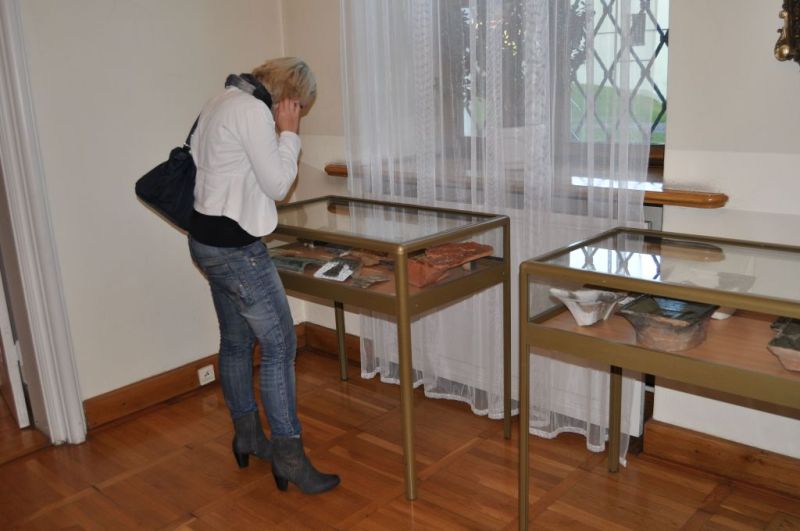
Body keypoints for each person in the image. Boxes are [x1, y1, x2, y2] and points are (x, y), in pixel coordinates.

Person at [188, 57, 339, 494]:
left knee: (237, 341)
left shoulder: (223, 98)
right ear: (289, 99)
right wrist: (289, 134)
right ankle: (289, 458)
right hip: (236, 250)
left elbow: (211, 164)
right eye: (299, 107)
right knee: (281, 345)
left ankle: (249, 437)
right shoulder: (254, 111)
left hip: (204, 240)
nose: (295, 114)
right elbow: (278, 185)